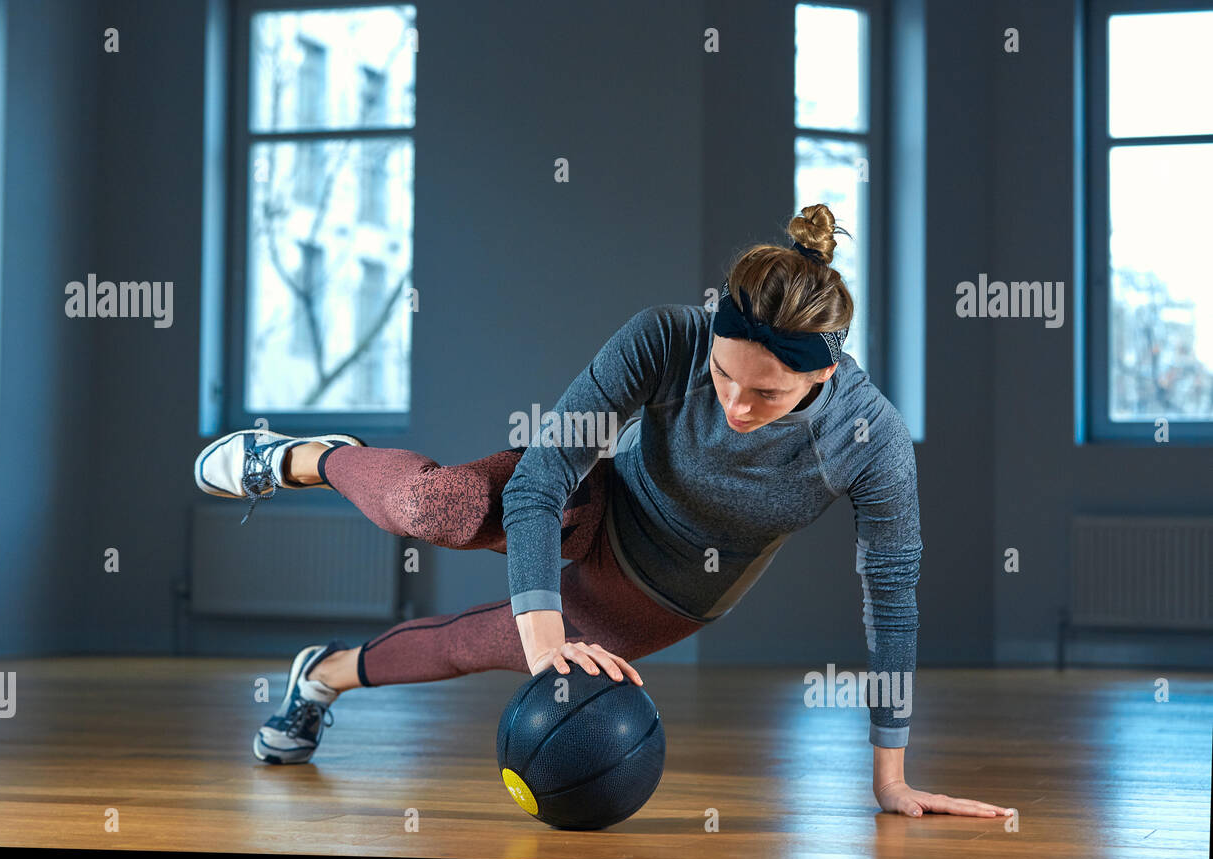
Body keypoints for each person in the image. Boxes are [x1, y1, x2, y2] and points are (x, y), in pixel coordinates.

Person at [193, 203, 1012, 819]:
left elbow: (892, 600)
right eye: (726, 374)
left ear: (823, 377)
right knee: (428, 504)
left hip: (670, 589)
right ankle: (302, 457)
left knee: (474, 645)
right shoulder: (665, 338)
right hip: (605, 499)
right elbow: (545, 473)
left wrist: (890, 778)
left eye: (767, 393)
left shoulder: (870, 440)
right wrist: (548, 635)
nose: (734, 402)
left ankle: (319, 676)